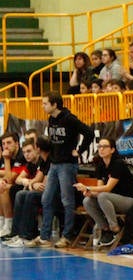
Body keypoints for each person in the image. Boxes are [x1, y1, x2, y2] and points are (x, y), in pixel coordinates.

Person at [27, 91, 93, 248]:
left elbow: (89, 133)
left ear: (55, 104)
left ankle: (67, 236)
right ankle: (45, 236)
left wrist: (80, 150)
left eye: (45, 103)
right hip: (54, 163)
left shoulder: (69, 119)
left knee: (67, 200)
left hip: (67, 164)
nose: (42, 106)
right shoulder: (51, 119)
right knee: (46, 198)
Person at [75, 137, 133, 248]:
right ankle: (106, 229)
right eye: (99, 146)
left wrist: (88, 187)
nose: (101, 149)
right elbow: (100, 188)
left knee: (103, 196)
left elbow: (108, 188)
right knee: (87, 201)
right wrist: (90, 193)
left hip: (129, 201)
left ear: (112, 150)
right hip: (110, 200)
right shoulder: (100, 165)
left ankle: (115, 228)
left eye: (105, 147)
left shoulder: (118, 164)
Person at [3, 137, 50, 248]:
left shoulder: (44, 161)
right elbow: (19, 179)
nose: (26, 155)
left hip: (50, 194)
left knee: (28, 195)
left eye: (29, 151)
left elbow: (43, 185)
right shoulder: (31, 164)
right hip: (36, 190)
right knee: (20, 194)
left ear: (37, 150)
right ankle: (16, 233)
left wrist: (30, 184)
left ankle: (26, 236)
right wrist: (29, 182)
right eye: (24, 152)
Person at [0, 131, 27, 237]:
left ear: (17, 143)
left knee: (3, 187)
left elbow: (9, 179)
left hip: (24, 185)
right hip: (16, 183)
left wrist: (6, 160)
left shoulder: (21, 156)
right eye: (3, 144)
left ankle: (9, 225)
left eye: (9, 143)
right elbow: (5, 175)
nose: (6, 146)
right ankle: (2, 223)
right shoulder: (8, 155)